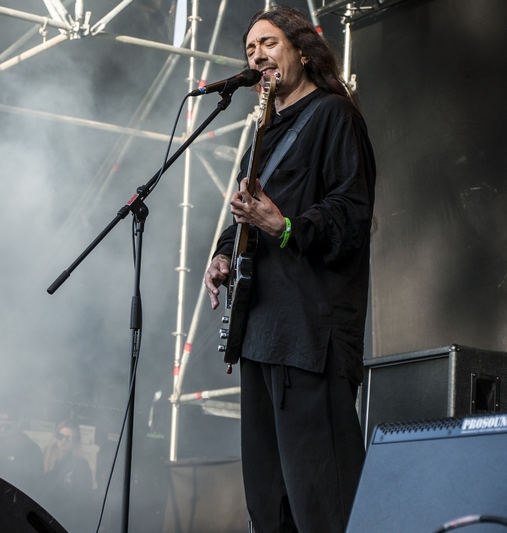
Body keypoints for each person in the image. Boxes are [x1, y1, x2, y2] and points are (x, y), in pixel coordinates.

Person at [203, 6, 375, 533]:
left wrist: (285, 227)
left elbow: (351, 209)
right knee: (268, 501)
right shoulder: (263, 130)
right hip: (259, 333)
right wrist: (224, 254)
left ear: (302, 50)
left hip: (310, 336)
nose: (257, 55)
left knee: (321, 499)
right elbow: (245, 209)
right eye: (250, 48)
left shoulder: (334, 115)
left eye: (268, 43)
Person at [0, 410, 44, 494]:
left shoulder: (32, 450)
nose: (2, 430)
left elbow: (38, 483)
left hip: (20, 501)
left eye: (8, 426)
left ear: (18, 424)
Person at [41, 420, 94, 531]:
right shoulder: (45, 456)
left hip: (67, 520)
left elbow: (85, 498)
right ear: (55, 436)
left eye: (68, 438)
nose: (63, 441)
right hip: (44, 515)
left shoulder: (81, 464)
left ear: (75, 441)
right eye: (61, 436)